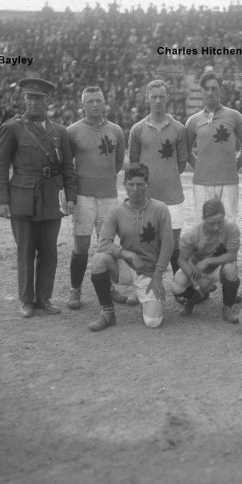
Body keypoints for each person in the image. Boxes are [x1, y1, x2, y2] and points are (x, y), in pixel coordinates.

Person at [0, 77, 76, 318]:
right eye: (30, 97)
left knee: (49, 250)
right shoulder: (12, 128)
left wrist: (70, 198)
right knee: (26, 250)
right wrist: (2, 200)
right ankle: (26, 300)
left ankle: (44, 298)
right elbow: (0, 166)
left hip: (52, 197)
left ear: (48, 101)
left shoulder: (59, 131)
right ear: (24, 99)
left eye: (39, 98)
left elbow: (68, 168)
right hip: (22, 197)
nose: (34, 102)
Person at [87, 162, 173, 331]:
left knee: (153, 322)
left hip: (149, 271)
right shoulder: (116, 212)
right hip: (125, 267)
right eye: (131, 184)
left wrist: (157, 276)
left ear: (148, 185)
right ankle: (107, 312)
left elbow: (168, 245)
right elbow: (103, 244)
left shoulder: (160, 209)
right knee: (99, 260)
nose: (135, 189)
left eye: (140, 184)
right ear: (124, 184)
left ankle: (144, 298)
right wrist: (129, 255)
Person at [65, 86, 127, 310]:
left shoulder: (116, 131)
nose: (95, 104)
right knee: (81, 245)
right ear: (82, 105)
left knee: (106, 245)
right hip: (83, 196)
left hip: (108, 196)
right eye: (90, 101)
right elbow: (66, 167)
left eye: (99, 100)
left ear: (105, 103)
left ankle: (108, 287)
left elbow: (118, 163)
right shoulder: (72, 131)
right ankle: (75, 290)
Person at [129, 79, 188, 280]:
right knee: (147, 241)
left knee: (174, 243)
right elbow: (134, 164)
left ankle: (181, 289)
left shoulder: (179, 128)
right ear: (147, 98)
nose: (157, 100)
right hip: (147, 198)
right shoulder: (137, 129)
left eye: (161, 96)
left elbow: (181, 162)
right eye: (153, 97)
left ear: (168, 98)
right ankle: (147, 286)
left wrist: (167, 176)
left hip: (172, 196)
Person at [185, 71, 242, 224]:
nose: (210, 92)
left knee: (228, 225)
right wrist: (200, 167)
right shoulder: (193, 121)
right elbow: (186, 151)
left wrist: (233, 166)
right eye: (206, 88)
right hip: (201, 183)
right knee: (203, 225)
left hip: (229, 182)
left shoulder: (235, 116)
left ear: (221, 89)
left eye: (214, 88)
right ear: (201, 91)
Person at [170, 198, 241, 324]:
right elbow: (182, 260)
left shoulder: (231, 228)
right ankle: (194, 298)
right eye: (211, 223)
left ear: (224, 217)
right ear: (203, 219)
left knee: (231, 269)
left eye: (220, 222)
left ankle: (227, 308)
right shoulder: (192, 234)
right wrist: (198, 280)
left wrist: (208, 261)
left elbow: (231, 255)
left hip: (219, 268)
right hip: (197, 270)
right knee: (177, 285)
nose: (216, 227)